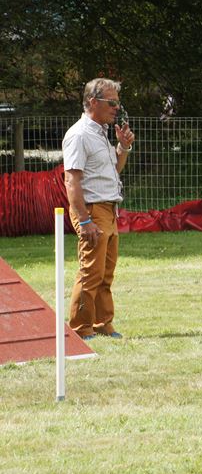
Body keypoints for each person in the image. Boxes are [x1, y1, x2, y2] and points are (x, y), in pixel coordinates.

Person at [62, 78, 136, 340]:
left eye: (117, 102)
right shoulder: (79, 135)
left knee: (105, 274)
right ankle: (80, 329)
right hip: (92, 211)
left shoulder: (100, 133)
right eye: (111, 102)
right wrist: (84, 220)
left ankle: (103, 324)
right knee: (90, 273)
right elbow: (71, 180)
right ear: (93, 102)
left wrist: (123, 147)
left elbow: (112, 171)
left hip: (108, 210)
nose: (116, 107)